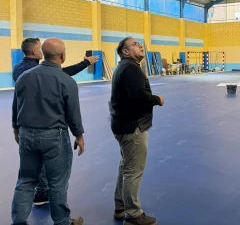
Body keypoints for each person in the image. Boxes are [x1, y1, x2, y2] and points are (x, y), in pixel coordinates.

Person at [12, 37, 97, 206]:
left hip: (26, 130)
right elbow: (62, 78)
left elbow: (16, 105)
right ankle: (61, 218)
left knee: (26, 179)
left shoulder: (20, 72)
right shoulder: (43, 74)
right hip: (50, 131)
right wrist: (78, 135)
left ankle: (27, 210)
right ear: (36, 52)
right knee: (57, 181)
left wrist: (16, 129)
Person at [110, 36, 164, 225]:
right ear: (125, 52)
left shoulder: (124, 67)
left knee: (126, 166)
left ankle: (120, 206)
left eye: (139, 43)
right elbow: (139, 97)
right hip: (132, 127)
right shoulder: (131, 68)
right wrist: (157, 99)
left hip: (123, 124)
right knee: (133, 170)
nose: (140, 45)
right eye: (134, 44)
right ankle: (133, 214)